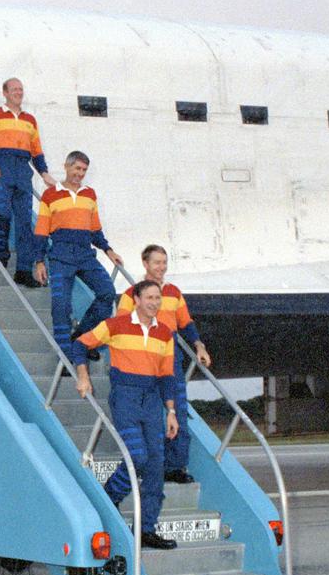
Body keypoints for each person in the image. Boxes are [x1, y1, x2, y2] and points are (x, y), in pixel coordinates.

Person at [74, 281, 180, 550]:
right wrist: (83, 376)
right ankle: (108, 499)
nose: (155, 303)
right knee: (137, 456)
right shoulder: (115, 325)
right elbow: (80, 344)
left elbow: (168, 377)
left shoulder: (165, 334)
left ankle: (145, 530)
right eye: (149, 298)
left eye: (158, 298)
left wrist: (171, 411)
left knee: (155, 465)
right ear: (136, 300)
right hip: (125, 397)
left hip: (153, 401)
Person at [116, 245, 212, 483]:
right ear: (145, 264)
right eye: (156, 262)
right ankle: (141, 464)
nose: (161, 267)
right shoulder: (131, 294)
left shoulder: (174, 293)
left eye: (164, 262)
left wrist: (199, 345)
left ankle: (174, 467)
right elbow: (121, 326)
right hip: (142, 363)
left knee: (177, 412)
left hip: (170, 361)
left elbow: (186, 323)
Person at [32, 150, 122, 363]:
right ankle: (65, 356)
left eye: (84, 170)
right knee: (60, 305)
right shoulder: (50, 194)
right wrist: (39, 262)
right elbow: (42, 231)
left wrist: (109, 251)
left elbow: (95, 230)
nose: (80, 174)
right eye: (77, 168)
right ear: (66, 166)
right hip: (61, 256)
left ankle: (81, 337)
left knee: (107, 292)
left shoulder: (90, 194)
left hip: (85, 255)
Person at [0, 77, 57, 286]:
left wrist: (44, 173)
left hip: (22, 170)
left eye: (21, 89)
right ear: (5, 93)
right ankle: (1, 255)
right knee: (1, 214)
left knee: (25, 223)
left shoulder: (30, 120)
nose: (19, 92)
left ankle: (23, 271)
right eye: (14, 89)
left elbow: (36, 150)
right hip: (1, 167)